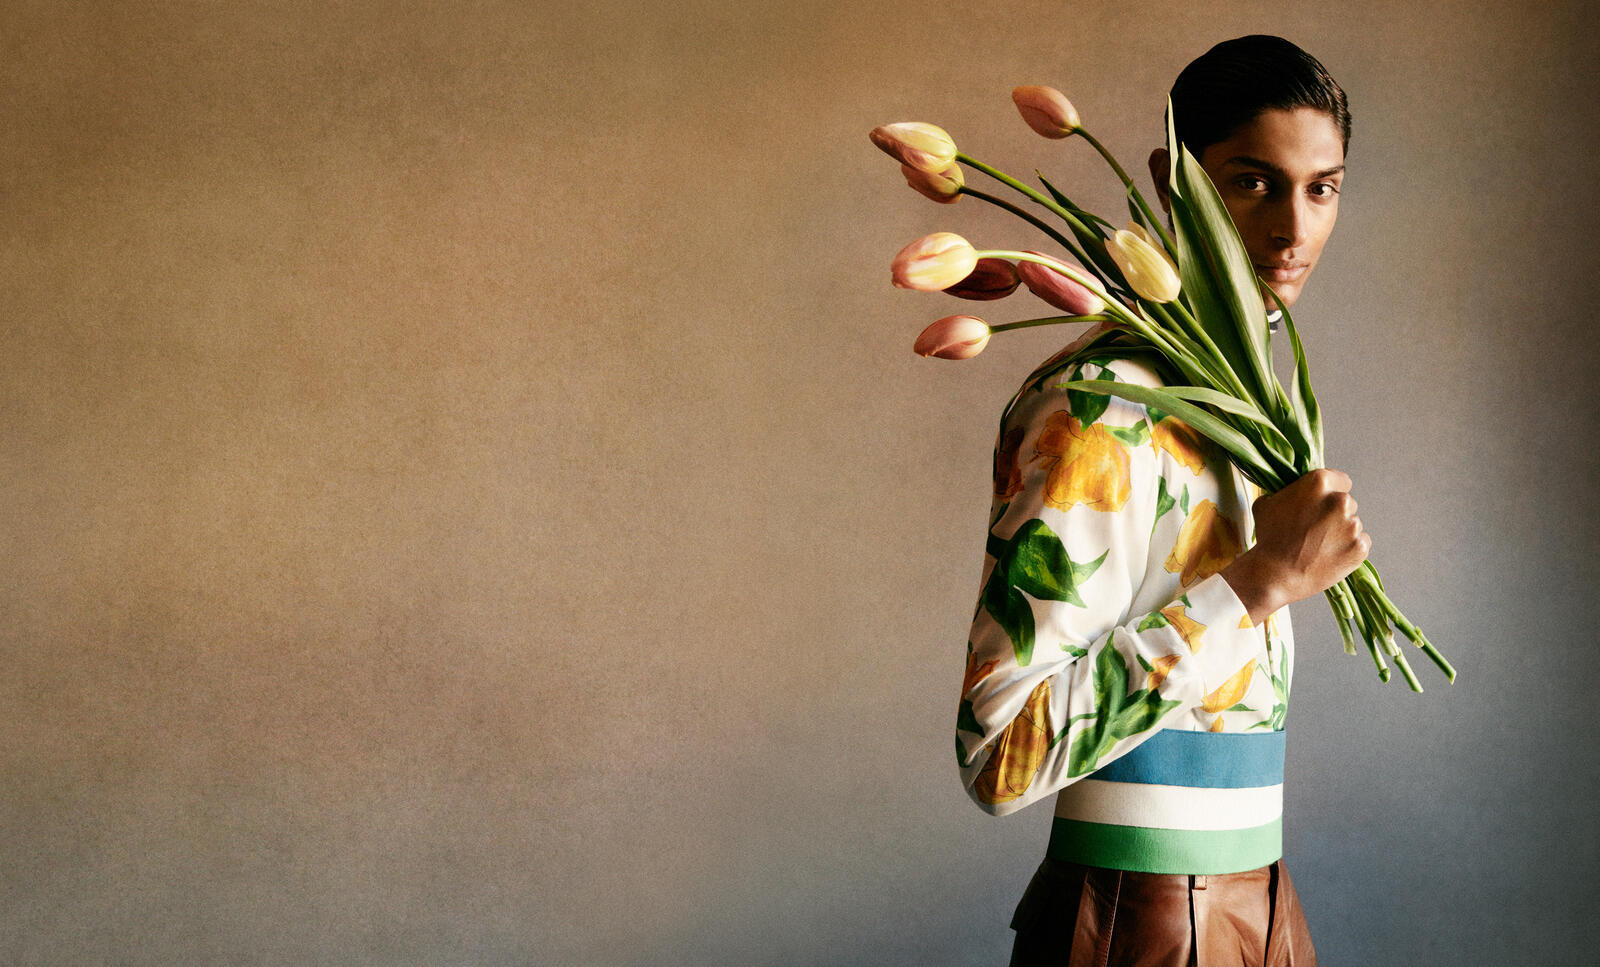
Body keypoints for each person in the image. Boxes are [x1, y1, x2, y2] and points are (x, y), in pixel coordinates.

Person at [956, 36, 1359, 966]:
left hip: (1264, 908)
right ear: (1172, 181)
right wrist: (1252, 584)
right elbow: (999, 752)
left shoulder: (1257, 403)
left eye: (1322, 188)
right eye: (1253, 183)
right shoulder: (1095, 405)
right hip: (1133, 923)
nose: (1293, 230)